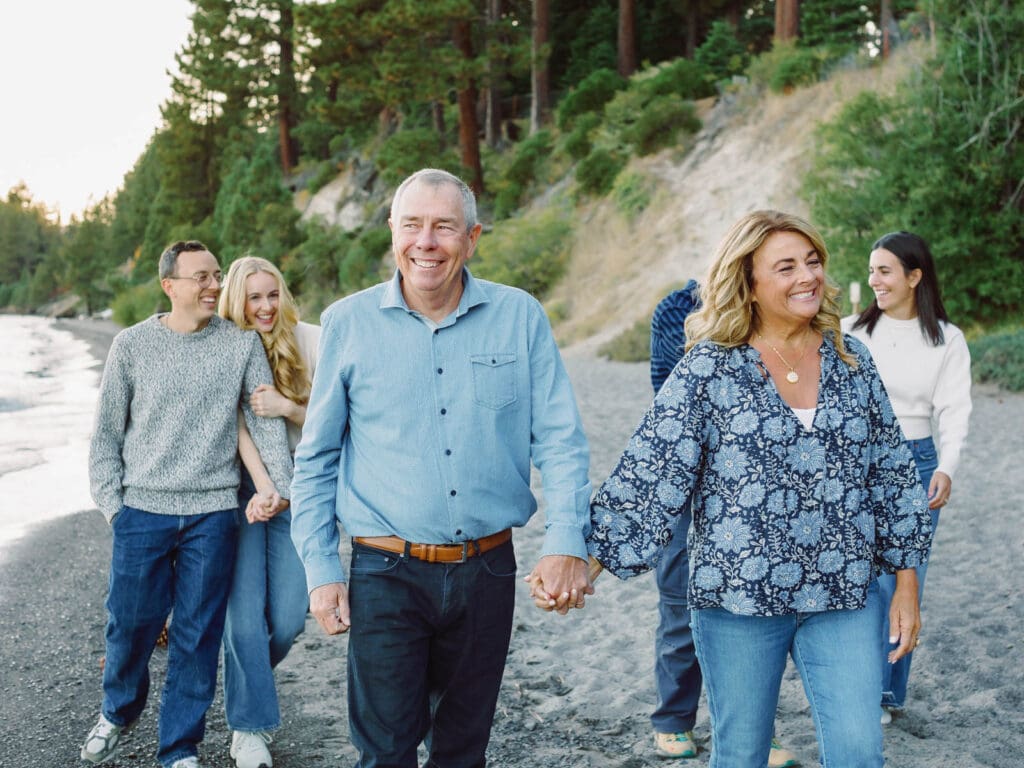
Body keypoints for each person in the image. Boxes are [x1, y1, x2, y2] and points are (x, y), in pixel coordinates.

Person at [575, 210, 933, 767]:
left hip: (843, 593)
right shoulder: (709, 369)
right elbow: (652, 470)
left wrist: (906, 585)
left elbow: (890, 475)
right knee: (741, 755)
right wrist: (585, 562)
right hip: (739, 600)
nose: (807, 277)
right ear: (750, 283)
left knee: (860, 752)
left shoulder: (851, 359)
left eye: (812, 262)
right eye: (785, 267)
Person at [289, 168, 593, 767]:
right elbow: (317, 458)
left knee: (463, 751)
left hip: (488, 572)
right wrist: (322, 568)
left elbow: (560, 439)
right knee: (385, 753)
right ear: (392, 233)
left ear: (472, 238)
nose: (426, 242)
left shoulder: (520, 316)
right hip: (385, 572)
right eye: (412, 226)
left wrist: (566, 541)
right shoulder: (347, 324)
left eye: (443, 227)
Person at [82, 241, 293, 768]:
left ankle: (179, 748)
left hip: (213, 512)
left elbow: (263, 424)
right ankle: (118, 710)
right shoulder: (131, 346)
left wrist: (280, 488)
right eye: (200, 277)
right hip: (143, 510)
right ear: (169, 286)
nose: (212, 286)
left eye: (216, 275)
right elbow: (105, 436)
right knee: (130, 623)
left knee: (197, 635)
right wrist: (114, 507)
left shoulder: (241, 344)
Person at [648, 282, 797, 767]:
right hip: (689, 474)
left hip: (755, 486)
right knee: (679, 601)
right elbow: (671, 392)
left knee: (755, 606)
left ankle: (756, 730)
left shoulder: (777, 308)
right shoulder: (677, 307)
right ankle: (674, 719)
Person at [842, 231, 971, 722]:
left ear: (914, 277)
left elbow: (955, 410)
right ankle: (854, 682)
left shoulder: (946, 338)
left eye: (885, 271)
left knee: (902, 580)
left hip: (916, 461)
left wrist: (946, 467)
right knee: (858, 579)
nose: (874, 280)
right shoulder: (851, 331)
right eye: (871, 270)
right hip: (853, 461)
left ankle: (884, 694)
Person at [218, 256, 322, 768]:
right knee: (243, 619)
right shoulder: (220, 347)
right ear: (236, 300)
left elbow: (337, 417)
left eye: (272, 294)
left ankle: (243, 680)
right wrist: (261, 485)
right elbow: (232, 427)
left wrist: (288, 408)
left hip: (296, 496)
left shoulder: (312, 341)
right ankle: (248, 730)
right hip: (237, 497)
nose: (264, 307)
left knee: (285, 620)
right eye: (253, 297)